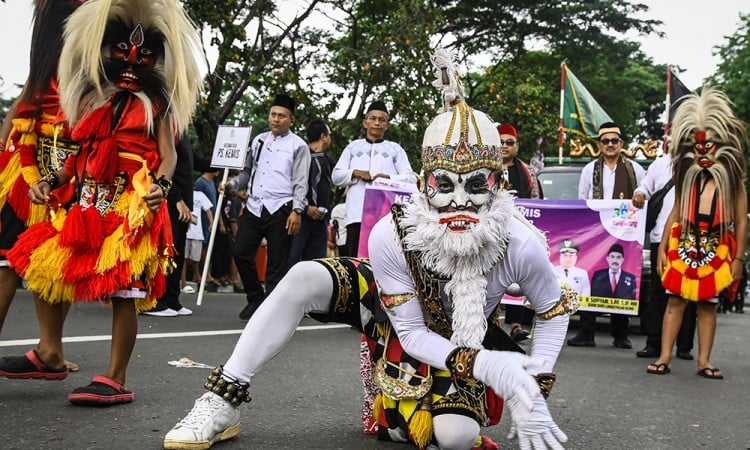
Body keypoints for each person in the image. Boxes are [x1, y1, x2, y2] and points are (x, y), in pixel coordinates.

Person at [163, 49, 570, 450]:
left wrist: (536, 388)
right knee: (304, 276)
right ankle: (223, 398)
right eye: (445, 185)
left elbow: (553, 311)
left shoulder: (517, 241)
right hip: (395, 314)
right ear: (424, 183)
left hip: (464, 337)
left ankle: (406, 411)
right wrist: (484, 365)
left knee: (455, 438)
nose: (460, 201)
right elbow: (410, 330)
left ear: (497, 184)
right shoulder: (391, 234)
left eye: (477, 185)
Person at [4, 0, 202, 404]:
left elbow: (169, 155)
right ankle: (49, 350)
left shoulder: (157, 105)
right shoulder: (94, 99)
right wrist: (49, 181)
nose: (131, 61)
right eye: (120, 51)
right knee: (42, 260)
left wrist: (161, 187)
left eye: (144, 55)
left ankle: (116, 376)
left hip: (132, 201)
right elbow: (77, 155)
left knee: (124, 292)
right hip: (90, 201)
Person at [0, 0, 83, 378]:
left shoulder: (87, 60)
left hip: (68, 174)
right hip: (32, 172)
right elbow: (21, 112)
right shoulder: (56, 63)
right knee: (11, 260)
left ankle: (52, 348)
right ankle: (51, 350)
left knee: (53, 262)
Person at [648, 88, 747, 379]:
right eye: (699, 147)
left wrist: (739, 259)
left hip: (717, 246)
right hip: (685, 242)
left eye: (710, 146)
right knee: (675, 301)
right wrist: (663, 247)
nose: (704, 153)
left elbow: (741, 221)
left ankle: (704, 360)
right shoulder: (686, 179)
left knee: (708, 305)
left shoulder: (734, 183)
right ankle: (664, 356)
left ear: (722, 146)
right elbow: (675, 213)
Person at [226, 93, 311, 321]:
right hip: (255, 205)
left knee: (276, 264)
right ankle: (255, 297)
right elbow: (247, 171)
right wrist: (233, 184)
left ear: (291, 120)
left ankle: (270, 313)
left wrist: (297, 210)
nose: (275, 119)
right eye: (273, 114)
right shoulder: (259, 140)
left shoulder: (299, 146)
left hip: (282, 208)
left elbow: (301, 181)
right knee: (240, 251)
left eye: (281, 116)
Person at [570, 122, 645, 349]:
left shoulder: (636, 170)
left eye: (614, 141)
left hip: (624, 231)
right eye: (605, 141)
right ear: (599, 145)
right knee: (592, 277)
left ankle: (620, 334)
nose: (610, 145)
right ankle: (586, 332)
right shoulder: (589, 170)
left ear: (621, 144)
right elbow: (583, 200)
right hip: (595, 232)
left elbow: (643, 197)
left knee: (623, 276)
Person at [331, 100, 416, 257]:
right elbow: (336, 176)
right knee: (356, 262)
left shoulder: (395, 149)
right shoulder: (353, 147)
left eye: (381, 120)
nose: (377, 123)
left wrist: (389, 178)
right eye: (373, 118)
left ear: (387, 125)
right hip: (355, 215)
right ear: (365, 123)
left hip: (385, 217)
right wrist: (355, 173)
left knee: (383, 260)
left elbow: (411, 179)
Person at [631, 154, 696, 359]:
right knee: (658, 292)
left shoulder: (701, 163)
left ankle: (684, 346)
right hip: (662, 236)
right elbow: (644, 187)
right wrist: (639, 194)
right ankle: (654, 343)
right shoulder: (660, 164)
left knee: (689, 292)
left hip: (692, 238)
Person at [498, 123, 542, 342]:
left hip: (519, 231)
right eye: (501, 142)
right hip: (491, 232)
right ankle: (489, 323)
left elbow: (538, 203)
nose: (505, 147)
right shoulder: (486, 169)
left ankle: (516, 325)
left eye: (509, 143)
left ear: (517, 146)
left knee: (516, 274)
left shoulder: (527, 173)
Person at [144, 135, 197, 317]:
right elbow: (163, 168)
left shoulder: (183, 136)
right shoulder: (168, 132)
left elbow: (196, 162)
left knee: (177, 252)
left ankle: (172, 299)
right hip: (168, 201)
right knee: (165, 251)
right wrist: (177, 199)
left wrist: (227, 160)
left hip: (184, 205)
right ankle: (156, 301)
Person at [288, 117, 334, 263]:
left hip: (321, 220)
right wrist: (305, 208)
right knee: (293, 258)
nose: (330, 138)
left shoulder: (328, 161)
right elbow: (290, 185)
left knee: (316, 262)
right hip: (300, 216)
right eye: (329, 134)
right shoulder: (301, 155)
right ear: (323, 136)